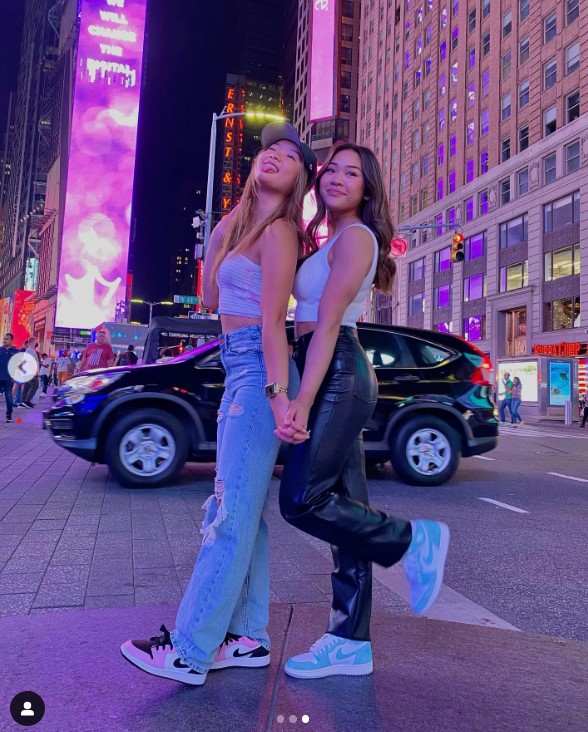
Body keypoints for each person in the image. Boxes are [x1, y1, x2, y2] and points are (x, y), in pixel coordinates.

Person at [121, 121, 317, 685]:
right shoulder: (250, 226)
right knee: (246, 515)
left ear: (301, 177)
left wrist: (281, 399)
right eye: (268, 152)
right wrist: (240, 207)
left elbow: (273, 322)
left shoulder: (281, 233)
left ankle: (187, 648)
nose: (274, 156)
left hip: (257, 369)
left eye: (288, 156)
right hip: (238, 368)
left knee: (226, 512)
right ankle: (249, 637)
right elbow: (210, 294)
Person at [276, 141, 450, 680]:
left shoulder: (355, 237)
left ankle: (412, 540)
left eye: (353, 174)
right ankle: (349, 641)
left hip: (336, 374)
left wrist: (303, 398)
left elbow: (328, 322)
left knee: (301, 500)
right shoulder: (331, 238)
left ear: (366, 190)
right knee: (342, 507)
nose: (338, 178)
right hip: (327, 369)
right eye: (332, 170)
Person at [0, 333, 18, 423]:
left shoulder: (15, 351)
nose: (4, 340)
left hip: (8, 378)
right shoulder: (0, 350)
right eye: (4, 338)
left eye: (6, 339)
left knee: (9, 397)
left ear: (11, 340)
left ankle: (9, 414)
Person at [21, 339, 40, 409]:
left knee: (27, 386)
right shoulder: (30, 351)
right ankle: (27, 401)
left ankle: (23, 401)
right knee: (35, 385)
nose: (36, 343)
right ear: (31, 343)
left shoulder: (30, 350)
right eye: (35, 342)